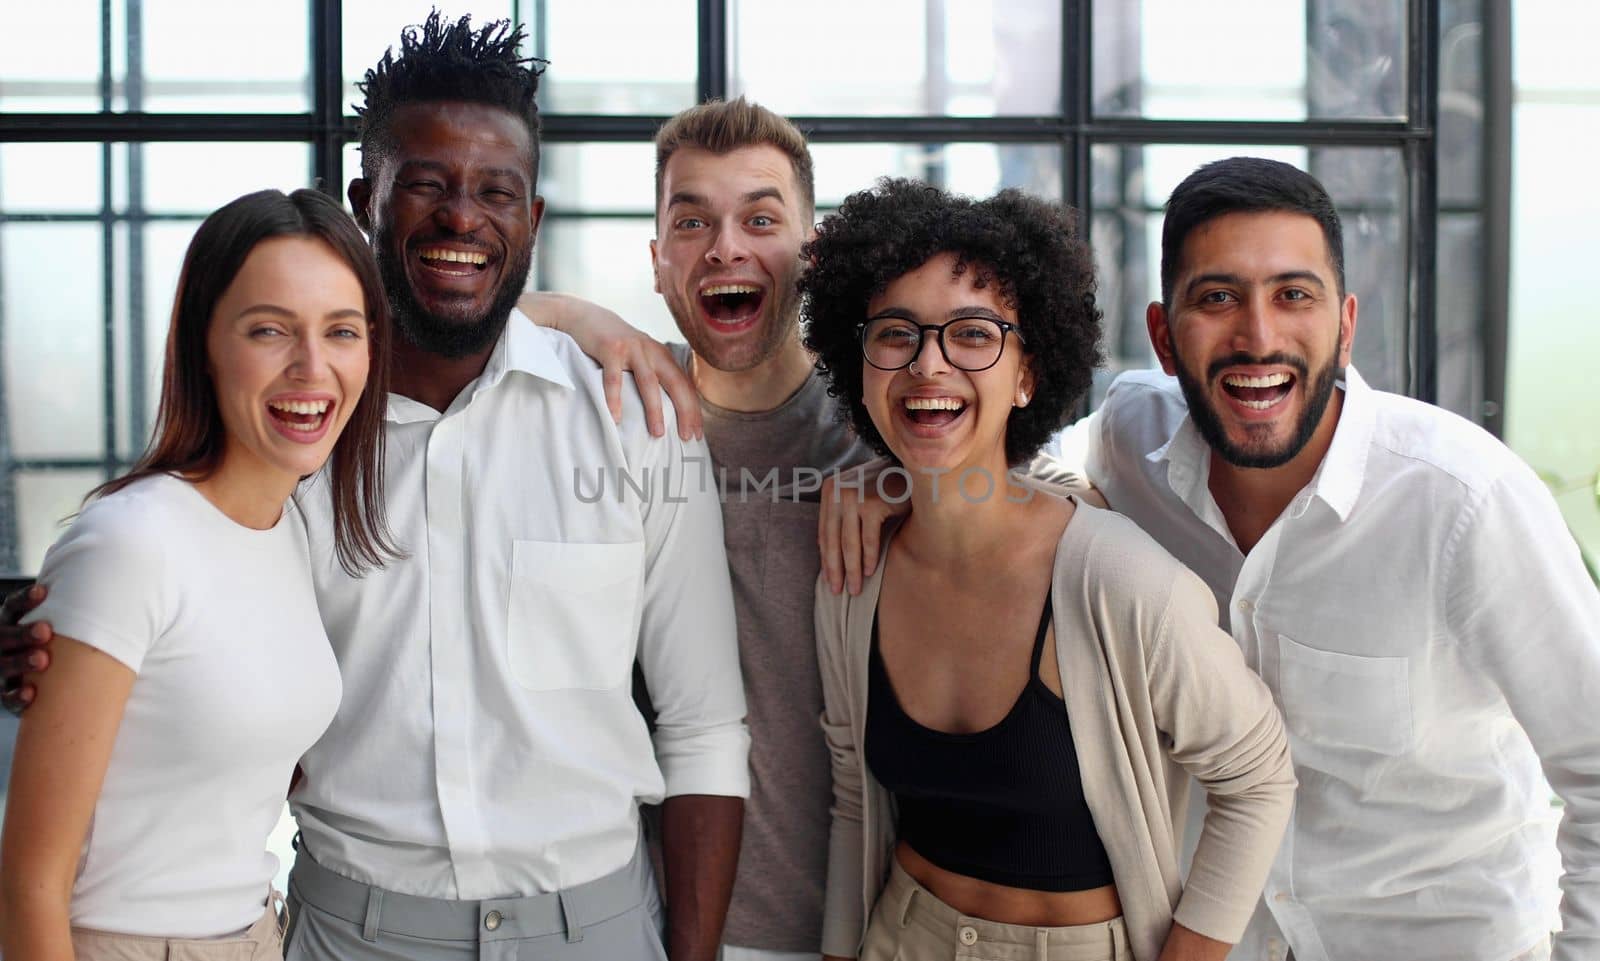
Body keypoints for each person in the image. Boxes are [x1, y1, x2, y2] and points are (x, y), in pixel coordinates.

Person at [2, 13, 751, 961]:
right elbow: (166, 600)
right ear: (366, 201)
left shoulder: (638, 419)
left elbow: (703, 726)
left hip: (597, 928)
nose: (461, 217)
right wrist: (42, 646)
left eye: (496, 192)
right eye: (426, 185)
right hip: (344, 933)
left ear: (533, 218)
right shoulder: (292, 447)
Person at [1069, 157, 1600, 961]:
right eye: (1217, 298)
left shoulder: (1463, 501)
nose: (1258, 336)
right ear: (1162, 336)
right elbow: (1013, 483)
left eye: (1293, 295)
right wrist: (901, 494)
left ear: (1345, 325)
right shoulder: (1126, 440)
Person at [800, 179, 1296, 961]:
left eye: (972, 335)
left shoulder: (1121, 581)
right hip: (900, 935)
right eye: (897, 333)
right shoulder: (855, 571)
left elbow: (1258, 777)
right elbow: (855, 800)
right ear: (859, 364)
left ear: (1027, 372)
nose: (928, 365)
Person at [0, 187, 395, 961]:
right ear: (204, 344)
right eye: (269, 330)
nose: (311, 367)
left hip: (253, 933)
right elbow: (28, 882)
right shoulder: (130, 542)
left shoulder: (293, 529)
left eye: (340, 331)